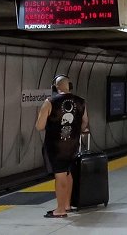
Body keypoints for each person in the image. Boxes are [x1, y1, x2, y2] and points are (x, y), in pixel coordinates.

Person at [35, 75, 88, 218]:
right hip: (72, 145)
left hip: (56, 146)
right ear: (69, 86)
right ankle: (67, 205)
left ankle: (60, 210)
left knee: (60, 176)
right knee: (68, 173)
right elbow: (85, 123)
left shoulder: (50, 101)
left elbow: (39, 126)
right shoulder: (81, 102)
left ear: (55, 87)